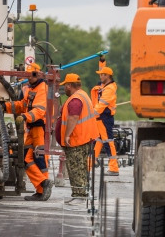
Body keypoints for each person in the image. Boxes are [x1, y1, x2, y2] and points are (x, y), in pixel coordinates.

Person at [5, 63, 52, 201]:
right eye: (27, 75)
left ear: (38, 74)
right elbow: (22, 105)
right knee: (25, 158)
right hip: (32, 128)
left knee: (39, 159)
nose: (29, 78)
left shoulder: (42, 88)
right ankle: (43, 184)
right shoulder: (30, 88)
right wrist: (5, 106)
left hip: (40, 128)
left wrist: (25, 116)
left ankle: (43, 190)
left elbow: (39, 110)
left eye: (31, 75)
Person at [59, 73, 98, 202]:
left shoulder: (75, 99)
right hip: (83, 138)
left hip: (77, 139)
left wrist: (67, 135)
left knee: (76, 168)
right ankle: (80, 193)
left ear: (70, 85)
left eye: (65, 85)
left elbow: (74, 117)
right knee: (80, 167)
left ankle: (79, 195)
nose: (64, 88)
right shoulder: (83, 95)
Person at [91, 58, 119, 176]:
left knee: (108, 142)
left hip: (104, 118)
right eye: (100, 74)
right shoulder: (105, 84)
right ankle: (91, 162)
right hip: (100, 118)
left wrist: (90, 115)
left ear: (108, 76)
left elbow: (101, 105)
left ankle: (113, 168)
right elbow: (103, 70)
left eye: (102, 75)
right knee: (98, 140)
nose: (100, 76)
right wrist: (102, 62)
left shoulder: (109, 89)